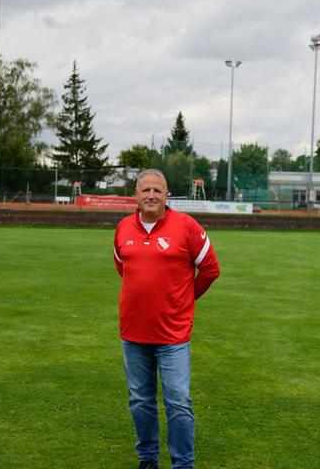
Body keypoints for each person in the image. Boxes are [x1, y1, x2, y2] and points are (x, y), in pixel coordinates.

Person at [113, 169, 220, 469]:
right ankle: (147, 459)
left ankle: (183, 464)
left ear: (166, 195)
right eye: (145, 189)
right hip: (133, 333)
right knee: (140, 401)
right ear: (135, 194)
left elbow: (211, 269)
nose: (151, 195)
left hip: (172, 335)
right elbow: (123, 267)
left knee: (178, 402)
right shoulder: (123, 228)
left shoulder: (186, 226)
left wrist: (186, 298)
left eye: (157, 190)